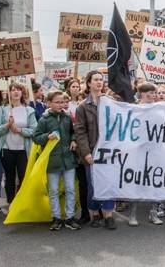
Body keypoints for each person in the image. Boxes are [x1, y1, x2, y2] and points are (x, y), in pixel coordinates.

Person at [75, 70, 117, 229]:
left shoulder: (111, 102)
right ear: (89, 83)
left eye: (101, 80)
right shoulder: (82, 107)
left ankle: (108, 215)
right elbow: (80, 132)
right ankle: (95, 214)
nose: (99, 82)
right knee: (93, 185)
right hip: (92, 152)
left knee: (108, 183)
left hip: (109, 152)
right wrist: (86, 153)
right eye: (96, 79)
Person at [33, 91, 80, 231]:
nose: (61, 105)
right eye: (57, 102)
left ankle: (70, 217)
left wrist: (73, 140)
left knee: (70, 189)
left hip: (68, 160)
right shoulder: (44, 119)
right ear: (49, 103)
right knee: (53, 191)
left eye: (62, 102)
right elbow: (36, 137)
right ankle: (57, 218)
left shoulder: (67, 117)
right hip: (52, 161)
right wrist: (48, 136)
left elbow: (74, 132)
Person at [0, 83, 38, 206]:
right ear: (9, 93)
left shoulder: (29, 110)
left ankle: (21, 202)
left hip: (24, 150)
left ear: (22, 93)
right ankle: (11, 202)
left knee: (23, 176)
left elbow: (34, 130)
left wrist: (20, 130)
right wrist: (7, 125)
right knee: (9, 177)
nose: (16, 92)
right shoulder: (2, 109)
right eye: (13, 90)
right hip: (6, 150)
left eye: (18, 90)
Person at [125, 83, 165, 225]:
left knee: (156, 180)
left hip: (156, 150)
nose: (153, 95)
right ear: (141, 93)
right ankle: (132, 214)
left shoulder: (160, 109)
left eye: (155, 92)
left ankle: (153, 213)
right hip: (138, 150)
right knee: (137, 180)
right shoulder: (134, 109)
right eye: (150, 92)